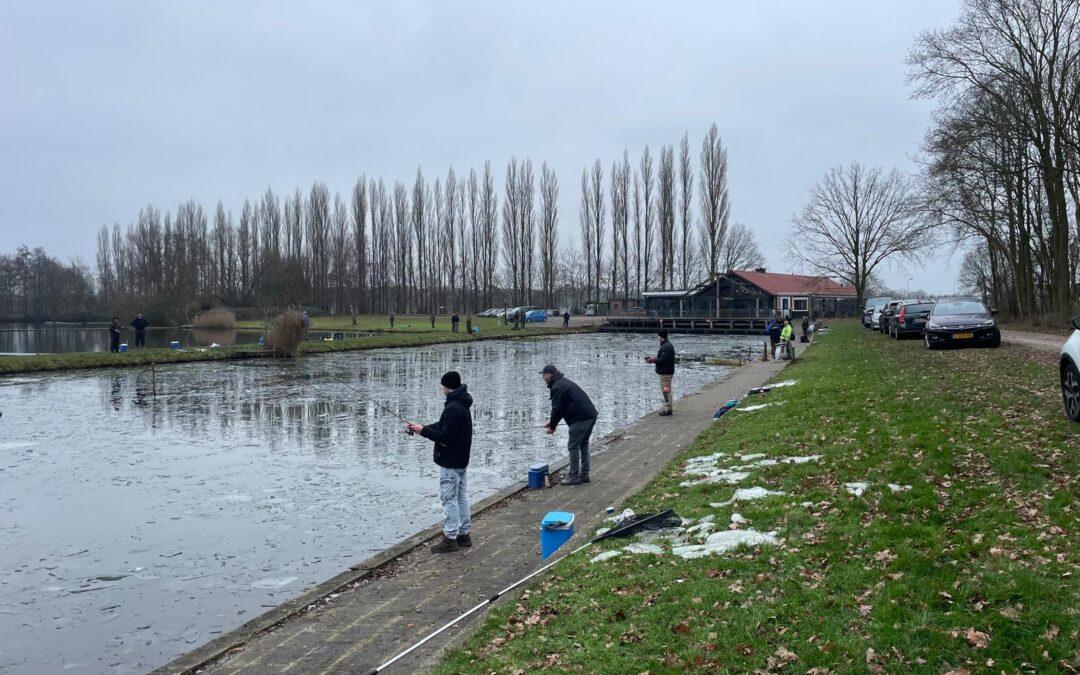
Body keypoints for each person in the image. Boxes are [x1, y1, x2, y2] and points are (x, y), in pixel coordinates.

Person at [406, 371, 474, 553]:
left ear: (447, 387)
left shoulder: (453, 407)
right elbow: (444, 426)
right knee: (461, 497)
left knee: (449, 499)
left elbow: (446, 437)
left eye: (443, 386)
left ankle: (450, 538)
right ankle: (464, 535)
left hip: (450, 461)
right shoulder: (462, 403)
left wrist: (424, 432)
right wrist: (422, 428)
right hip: (461, 460)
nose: (442, 389)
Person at [541, 364, 598, 486]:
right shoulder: (563, 382)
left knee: (573, 446)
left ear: (549, 375)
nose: (543, 378)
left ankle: (574, 476)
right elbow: (562, 408)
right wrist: (552, 422)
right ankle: (584, 474)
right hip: (590, 415)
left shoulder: (556, 387)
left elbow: (557, 409)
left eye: (543, 375)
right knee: (583, 444)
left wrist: (552, 427)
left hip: (580, 418)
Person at [648, 330, 676, 416]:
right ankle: (668, 407)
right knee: (667, 390)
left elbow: (663, 360)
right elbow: (663, 358)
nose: (658, 338)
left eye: (658, 336)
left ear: (661, 337)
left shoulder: (665, 347)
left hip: (665, 373)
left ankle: (668, 409)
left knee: (666, 391)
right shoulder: (667, 345)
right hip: (667, 372)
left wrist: (653, 360)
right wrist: (655, 359)